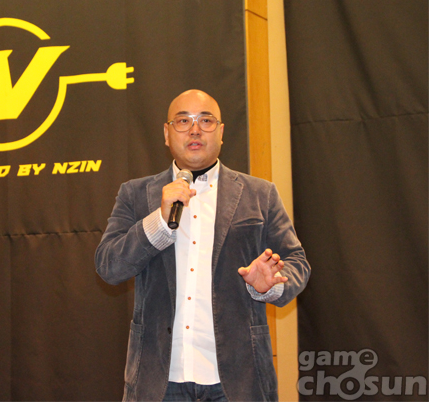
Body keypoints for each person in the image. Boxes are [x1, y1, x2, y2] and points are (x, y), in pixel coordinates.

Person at [95, 89, 310, 402]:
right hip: (158, 380)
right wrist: (159, 221)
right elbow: (109, 266)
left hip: (238, 379)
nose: (195, 129)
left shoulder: (259, 194)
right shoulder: (136, 194)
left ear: (221, 132)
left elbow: (297, 262)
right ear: (167, 133)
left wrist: (270, 286)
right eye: (183, 121)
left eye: (206, 121)